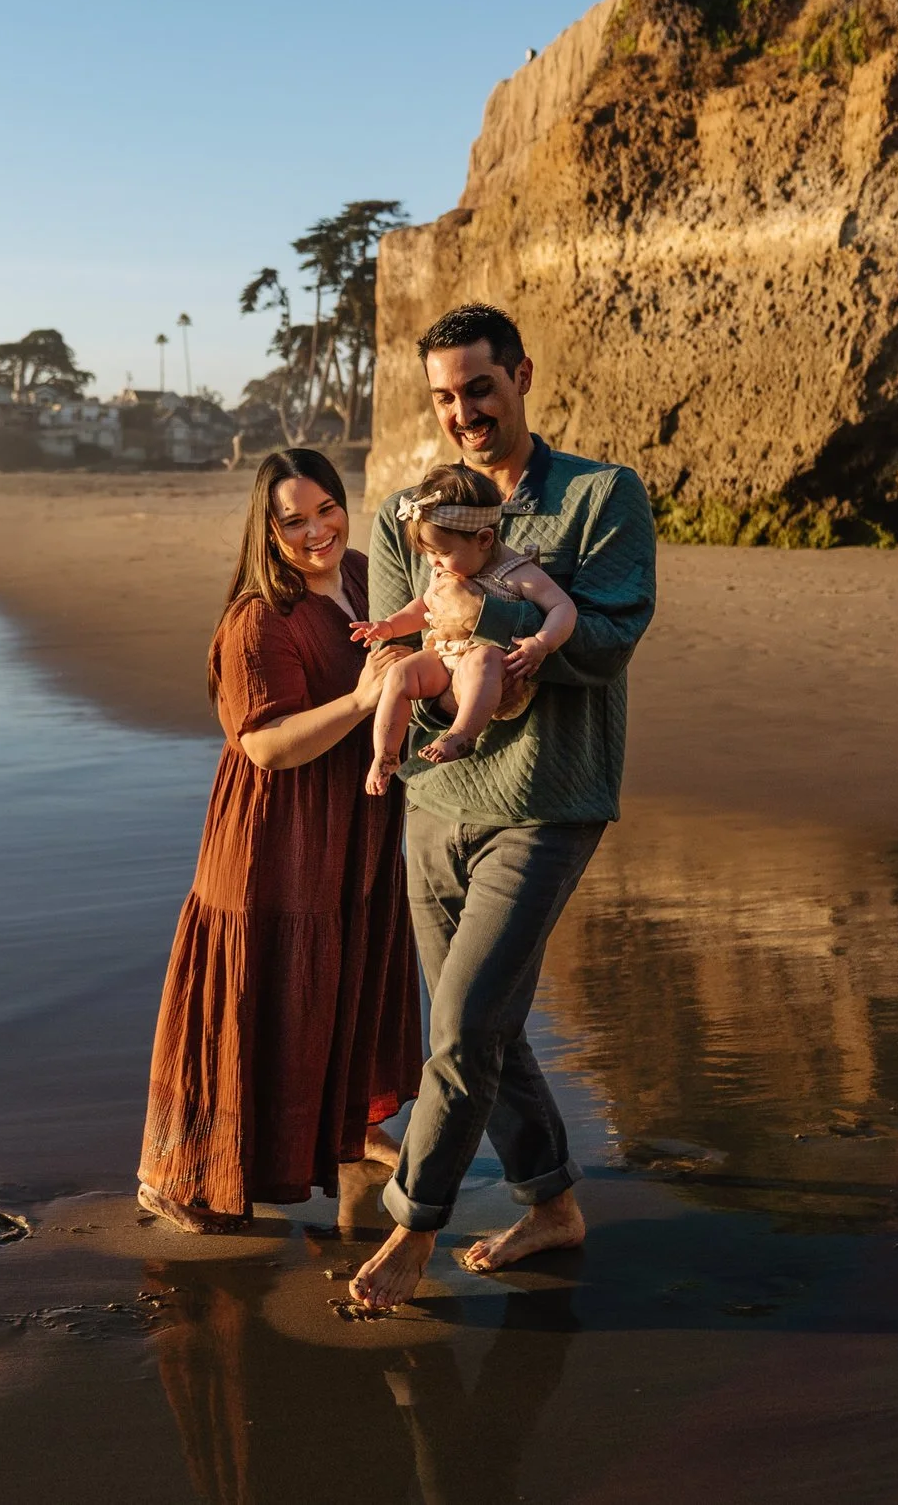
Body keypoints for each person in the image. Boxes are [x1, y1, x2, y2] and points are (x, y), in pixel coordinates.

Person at [348, 303, 657, 1307]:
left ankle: (412, 1224)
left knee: (466, 1020)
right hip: (433, 798)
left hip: (546, 797)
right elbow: (402, 649)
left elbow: (606, 641)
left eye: (479, 387)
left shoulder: (600, 497)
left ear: (520, 374)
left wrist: (492, 615)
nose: (463, 412)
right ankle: (550, 1200)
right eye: (443, 396)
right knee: (487, 1021)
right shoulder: (409, 510)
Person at [137, 448, 425, 1232]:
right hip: (276, 838)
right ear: (267, 529)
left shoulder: (371, 576)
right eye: (293, 519)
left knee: (340, 977)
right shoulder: (259, 617)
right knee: (263, 989)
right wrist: (366, 701)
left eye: (326, 508)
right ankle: (190, 1173)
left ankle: (341, 1132)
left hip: (355, 824)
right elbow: (265, 744)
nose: (316, 530)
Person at [354, 462, 577, 788]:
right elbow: (423, 606)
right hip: (445, 658)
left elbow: (563, 606)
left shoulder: (516, 572)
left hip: (493, 672)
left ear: (485, 538)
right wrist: (389, 626)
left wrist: (542, 642)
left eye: (441, 554)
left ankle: (462, 734)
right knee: (400, 674)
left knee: (482, 659)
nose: (434, 563)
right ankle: (385, 754)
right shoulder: (446, 569)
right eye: (428, 554)